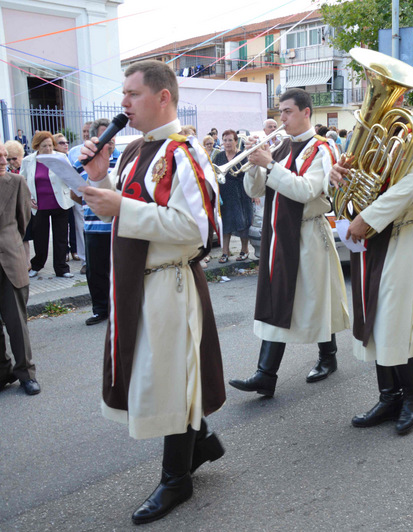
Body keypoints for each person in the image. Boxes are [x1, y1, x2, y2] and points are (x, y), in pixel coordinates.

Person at [79, 60, 226, 525]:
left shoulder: (185, 153)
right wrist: (100, 177)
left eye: (133, 94)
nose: (123, 103)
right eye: (123, 94)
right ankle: (201, 442)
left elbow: (199, 231)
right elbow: (121, 212)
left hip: (169, 280)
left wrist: (122, 204)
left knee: (168, 377)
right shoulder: (135, 151)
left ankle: (176, 479)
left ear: (163, 97)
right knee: (157, 373)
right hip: (138, 281)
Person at [228, 88, 349, 399]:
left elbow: (307, 190)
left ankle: (327, 356)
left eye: (288, 112)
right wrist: (255, 164)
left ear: (306, 112)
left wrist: (270, 165)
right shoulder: (281, 146)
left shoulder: (323, 149)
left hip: (308, 233)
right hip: (278, 232)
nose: (282, 118)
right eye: (279, 112)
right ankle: (265, 375)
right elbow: (254, 190)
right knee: (278, 298)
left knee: (316, 299)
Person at [329, 99, 413, 436]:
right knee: (374, 319)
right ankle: (389, 396)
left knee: (393, 319)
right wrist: (336, 176)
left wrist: (368, 217)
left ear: (400, 99)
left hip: (400, 235)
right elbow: (354, 184)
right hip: (371, 239)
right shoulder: (368, 139)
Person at [0, 144, 39, 396]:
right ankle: (3, 373)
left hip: (10, 261)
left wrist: (10, 245)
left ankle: (26, 374)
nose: (4, 160)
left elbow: (23, 222)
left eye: (5, 156)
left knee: (17, 323)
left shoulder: (16, 182)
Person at [21, 131, 74, 278]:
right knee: (40, 238)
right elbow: (22, 181)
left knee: (61, 238)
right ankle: (36, 265)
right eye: (44, 146)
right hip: (39, 205)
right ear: (37, 146)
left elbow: (70, 177)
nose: (48, 149)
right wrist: (28, 198)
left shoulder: (61, 157)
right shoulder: (28, 161)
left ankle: (62, 269)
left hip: (60, 202)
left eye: (50, 145)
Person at [81, 118, 119, 326]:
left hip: (116, 225)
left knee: (116, 270)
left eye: (113, 137)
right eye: (106, 136)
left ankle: (118, 307)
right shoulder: (84, 160)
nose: (110, 141)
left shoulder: (122, 160)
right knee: (95, 271)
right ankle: (100, 310)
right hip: (92, 223)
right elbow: (75, 191)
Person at [213, 130, 253, 262]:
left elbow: (250, 174)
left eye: (230, 140)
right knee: (226, 223)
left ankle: (244, 250)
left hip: (241, 193)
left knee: (243, 222)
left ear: (236, 141)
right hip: (224, 194)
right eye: (225, 140)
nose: (227, 143)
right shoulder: (219, 156)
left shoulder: (242, 156)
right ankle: (225, 252)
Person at [55, 133, 85, 266]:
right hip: (62, 196)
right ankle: (66, 251)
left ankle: (75, 250)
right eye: (61, 143)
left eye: (66, 142)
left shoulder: (71, 154)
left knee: (75, 224)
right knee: (63, 226)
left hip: (73, 194)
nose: (65, 145)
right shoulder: (58, 157)